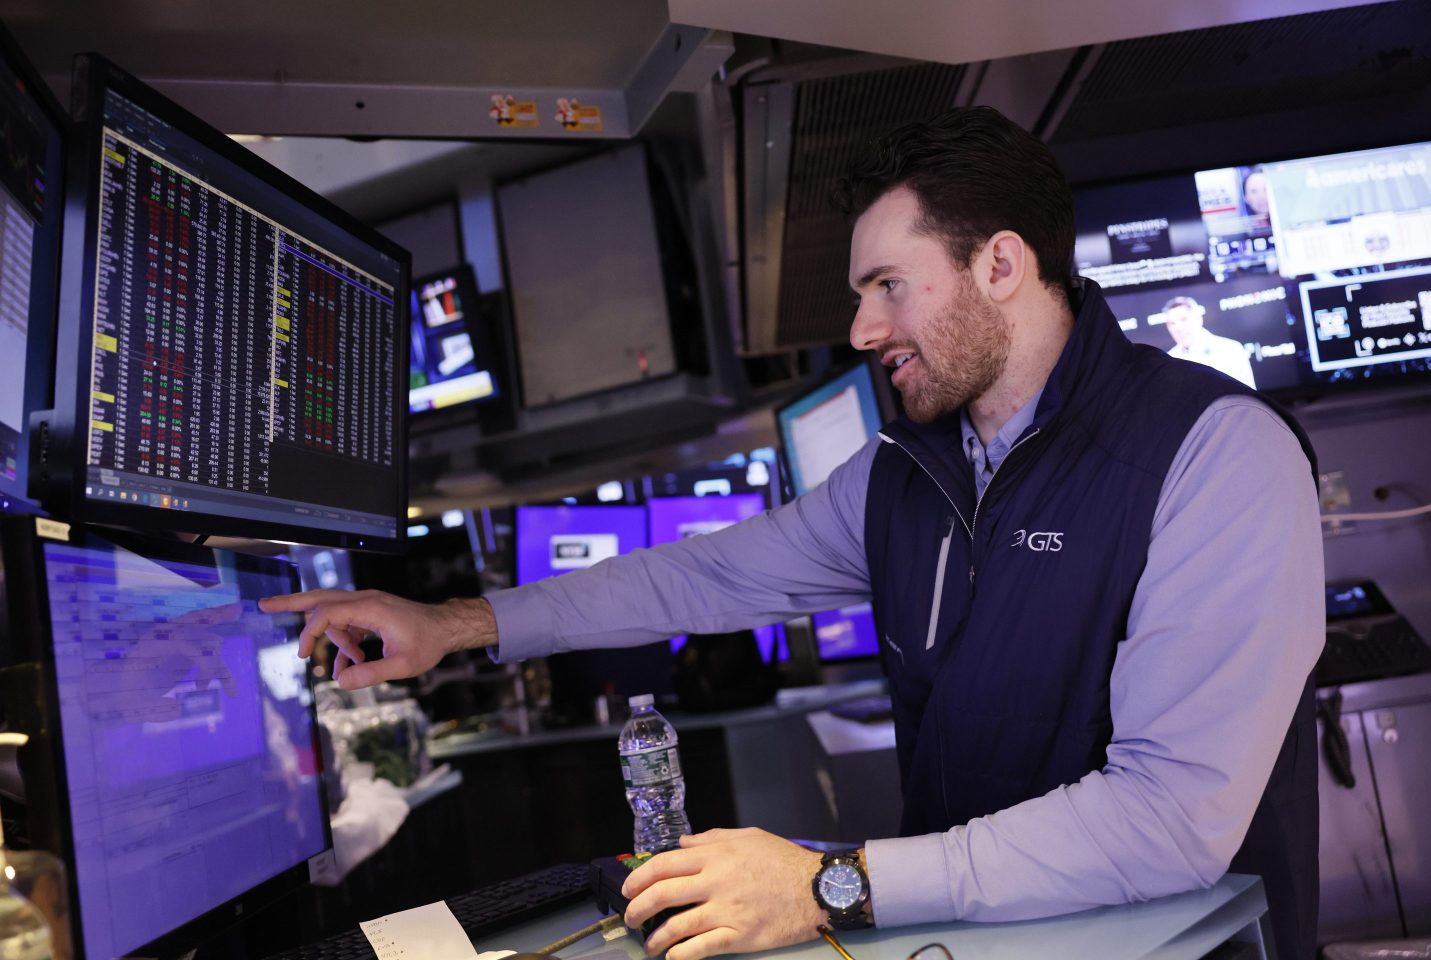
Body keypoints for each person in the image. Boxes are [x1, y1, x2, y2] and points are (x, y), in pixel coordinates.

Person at [261, 107, 1322, 960]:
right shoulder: (904, 474)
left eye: (887, 287)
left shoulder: (1215, 453)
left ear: (1001, 264)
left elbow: (1168, 825)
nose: (861, 330)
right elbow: (702, 580)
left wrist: (831, 884)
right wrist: (455, 623)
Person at [1163, 295, 1258, 387]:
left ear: (1199, 319)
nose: (1178, 328)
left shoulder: (1230, 349)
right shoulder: (1169, 360)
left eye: (1184, 319)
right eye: (1172, 323)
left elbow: (1249, 396)